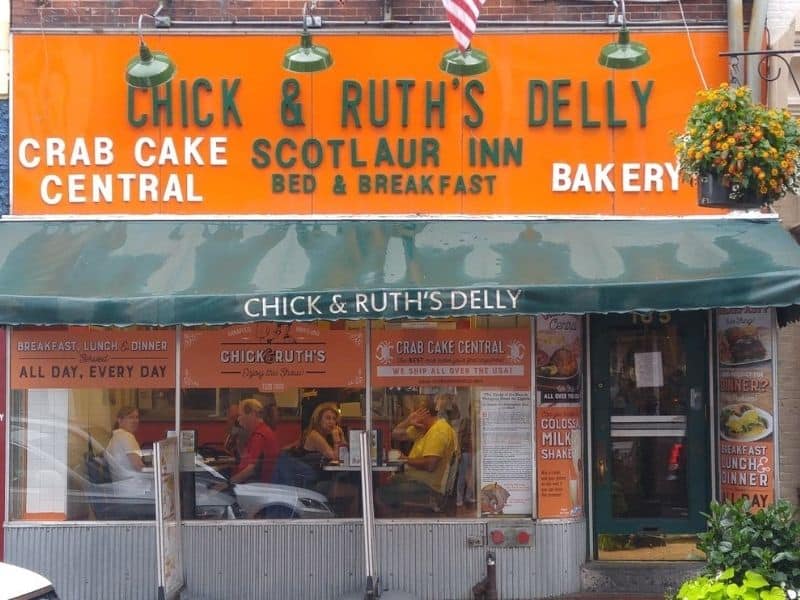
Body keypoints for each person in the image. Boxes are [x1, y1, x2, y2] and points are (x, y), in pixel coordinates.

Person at [377, 396, 458, 511]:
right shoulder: (423, 428)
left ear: (424, 413)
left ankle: (395, 522)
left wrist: (405, 459)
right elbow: (395, 434)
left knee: (381, 492)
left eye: (415, 414)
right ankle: (400, 519)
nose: (414, 417)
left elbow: (430, 465)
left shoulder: (439, 430)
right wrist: (408, 421)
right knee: (390, 481)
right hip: (417, 480)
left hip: (429, 488)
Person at [229, 398, 279, 484]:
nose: (238, 420)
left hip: (251, 485)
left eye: (240, 415)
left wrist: (228, 483)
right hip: (247, 482)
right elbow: (245, 459)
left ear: (252, 414)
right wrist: (239, 442)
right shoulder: (261, 431)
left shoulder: (259, 436)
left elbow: (250, 470)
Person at [105, 406, 145, 482]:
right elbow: (138, 466)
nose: (135, 421)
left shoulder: (115, 436)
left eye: (137, 417)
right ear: (120, 420)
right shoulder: (126, 436)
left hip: (121, 486)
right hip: (133, 487)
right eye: (130, 417)